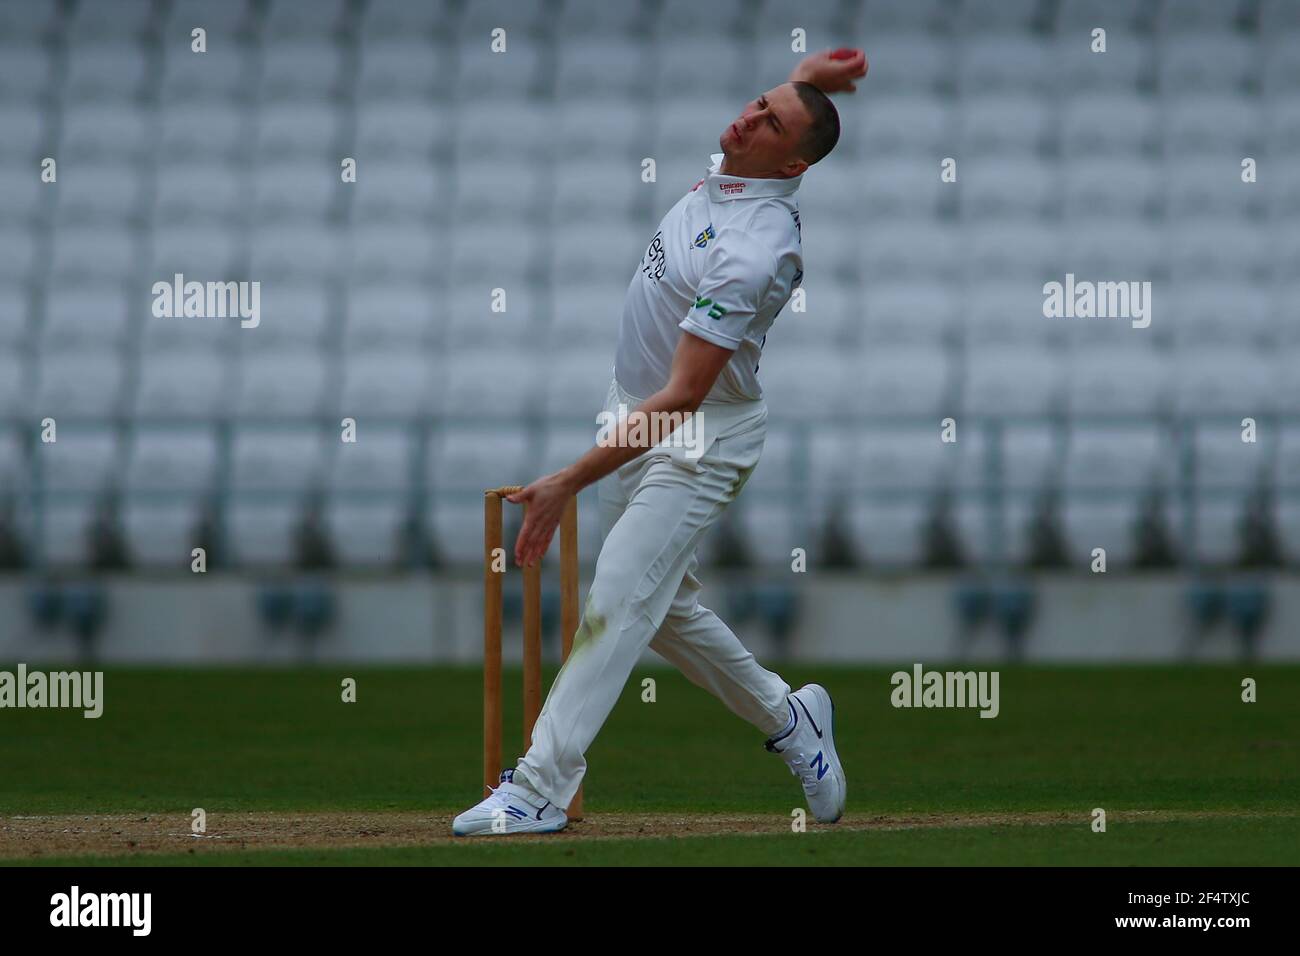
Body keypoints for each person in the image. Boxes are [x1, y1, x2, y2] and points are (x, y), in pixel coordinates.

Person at [454, 48, 869, 835]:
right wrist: (805, 82)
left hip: (699, 436)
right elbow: (777, 126)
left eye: (769, 120)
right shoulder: (740, 163)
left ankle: (541, 785)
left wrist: (568, 481)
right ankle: (792, 719)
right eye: (756, 102)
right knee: (662, 609)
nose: (745, 119)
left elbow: (681, 398)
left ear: (792, 161)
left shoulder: (756, 248)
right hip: (632, 413)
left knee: (614, 602)